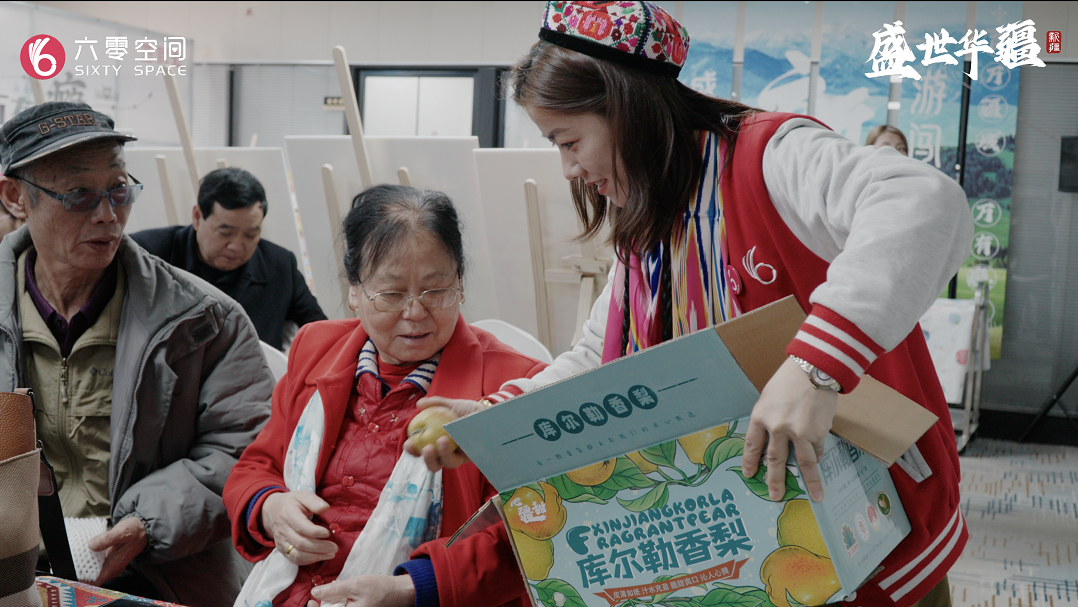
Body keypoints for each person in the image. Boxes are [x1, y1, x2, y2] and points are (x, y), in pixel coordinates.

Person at [411, 3, 973, 607]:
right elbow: (601, 359)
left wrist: (815, 367)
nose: (569, 169)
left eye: (569, 141)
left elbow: (924, 201)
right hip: (760, 526)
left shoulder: (770, 156)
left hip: (867, 514)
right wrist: (494, 423)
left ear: (628, 109)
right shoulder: (648, 225)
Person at [0, 101, 274, 605]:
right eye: (79, 195)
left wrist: (149, 522)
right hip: (12, 577)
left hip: (156, 575)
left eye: (119, 189)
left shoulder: (201, 320)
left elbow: (248, 447)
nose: (108, 214)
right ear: (16, 196)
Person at [223, 184, 547, 607]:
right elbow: (257, 465)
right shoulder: (315, 348)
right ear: (354, 291)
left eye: (436, 290)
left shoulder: (516, 383)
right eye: (392, 294)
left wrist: (414, 588)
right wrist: (270, 507)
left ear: (460, 283)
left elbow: (531, 529)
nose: (415, 312)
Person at [132, 167, 326, 351]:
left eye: (250, 235)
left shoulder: (279, 265)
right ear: (197, 217)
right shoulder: (147, 254)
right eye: (225, 232)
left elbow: (323, 331)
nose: (236, 246)